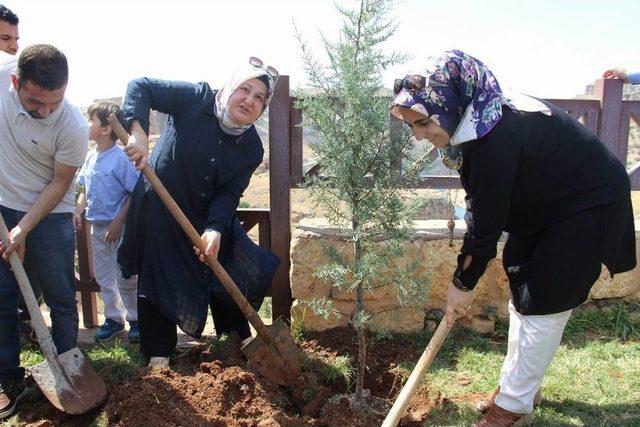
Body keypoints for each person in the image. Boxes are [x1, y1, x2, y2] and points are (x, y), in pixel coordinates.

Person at [391, 50, 636, 427]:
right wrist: (464, 279)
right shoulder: (476, 121)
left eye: (423, 123)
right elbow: (479, 203)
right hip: (545, 205)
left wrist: (463, 283)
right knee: (523, 291)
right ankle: (518, 390)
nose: (420, 137)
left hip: (587, 204)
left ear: (451, 103)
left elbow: (485, 225)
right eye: (412, 127)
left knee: (545, 300)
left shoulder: (495, 137)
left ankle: (513, 408)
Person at [118, 57, 280, 369]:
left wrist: (216, 229)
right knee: (160, 274)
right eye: (244, 89)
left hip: (207, 214)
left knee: (231, 261)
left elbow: (229, 192)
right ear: (230, 87)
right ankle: (159, 355)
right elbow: (141, 86)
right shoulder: (196, 99)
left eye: (260, 97)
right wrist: (138, 131)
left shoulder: (251, 149)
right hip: (163, 207)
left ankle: (237, 337)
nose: (250, 100)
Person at [0, 44, 88, 419]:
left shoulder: (73, 126)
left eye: (55, 102)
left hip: (51, 209)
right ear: (16, 81)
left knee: (60, 294)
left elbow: (59, 184)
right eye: (37, 102)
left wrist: (23, 227)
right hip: (4, 201)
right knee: (2, 296)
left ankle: (70, 366)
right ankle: (7, 380)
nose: (46, 111)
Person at [74, 101, 140, 343]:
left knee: (125, 275)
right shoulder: (91, 157)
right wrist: (78, 210)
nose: (86, 124)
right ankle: (113, 318)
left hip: (117, 228)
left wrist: (118, 224)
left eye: (91, 120)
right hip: (97, 227)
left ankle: (135, 319)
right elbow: (83, 188)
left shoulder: (120, 159)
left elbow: (134, 192)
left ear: (105, 128)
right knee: (103, 276)